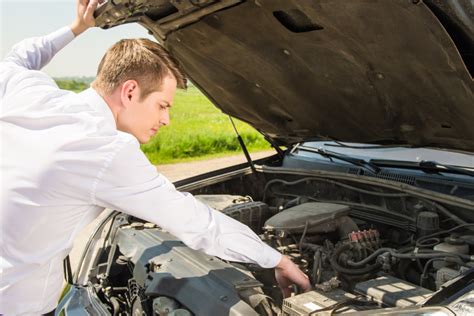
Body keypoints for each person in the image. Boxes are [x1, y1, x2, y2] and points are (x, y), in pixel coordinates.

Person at [0, 0, 311, 314]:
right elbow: (197, 223)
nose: (166, 120)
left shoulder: (29, 90)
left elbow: (21, 56)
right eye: (163, 105)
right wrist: (276, 259)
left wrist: (77, 29)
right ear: (130, 91)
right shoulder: (103, 149)